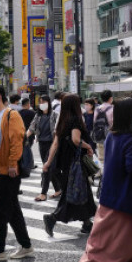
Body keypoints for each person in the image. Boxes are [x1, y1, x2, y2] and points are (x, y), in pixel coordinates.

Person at [73, 98, 132, 262]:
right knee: (123, 244)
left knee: (101, 240)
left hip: (108, 197)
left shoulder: (113, 135)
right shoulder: (130, 140)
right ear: (131, 115)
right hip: (125, 199)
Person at [0, 85, 33, 262]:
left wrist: (12, 164)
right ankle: (26, 246)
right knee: (12, 210)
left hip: (8, 170)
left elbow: (17, 139)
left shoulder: (11, 114)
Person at [43, 94, 97, 237]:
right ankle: (52, 218)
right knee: (74, 192)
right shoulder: (76, 120)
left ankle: (87, 223)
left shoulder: (62, 121)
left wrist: (48, 163)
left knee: (79, 191)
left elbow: (55, 144)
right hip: (76, 163)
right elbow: (75, 139)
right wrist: (88, 147)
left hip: (65, 164)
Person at [30, 95, 61, 202]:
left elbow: (58, 130)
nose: (41, 104)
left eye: (43, 102)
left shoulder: (55, 115)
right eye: (40, 102)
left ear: (48, 103)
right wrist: (23, 138)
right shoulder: (37, 116)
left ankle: (43, 193)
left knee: (47, 168)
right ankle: (58, 189)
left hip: (52, 144)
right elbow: (31, 128)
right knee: (49, 167)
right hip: (41, 144)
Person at [93, 90, 114, 166]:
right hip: (111, 137)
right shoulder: (113, 109)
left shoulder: (97, 109)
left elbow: (94, 122)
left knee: (101, 159)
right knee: (111, 158)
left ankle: (102, 174)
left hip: (99, 136)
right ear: (111, 98)